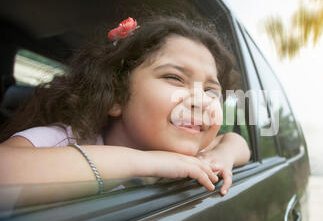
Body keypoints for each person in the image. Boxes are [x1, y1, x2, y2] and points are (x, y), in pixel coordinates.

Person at [0, 14, 251, 197]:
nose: (201, 100)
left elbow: (236, 143)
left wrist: (221, 156)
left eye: (211, 90)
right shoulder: (65, 140)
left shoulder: (194, 148)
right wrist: (147, 162)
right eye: (174, 78)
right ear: (116, 95)